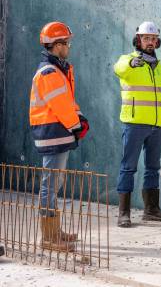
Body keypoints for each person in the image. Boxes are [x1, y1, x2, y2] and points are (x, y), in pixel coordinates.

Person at [113, 21, 161, 227]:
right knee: (128, 168)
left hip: (156, 125)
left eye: (153, 39)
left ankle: (151, 209)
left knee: (153, 167)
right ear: (138, 40)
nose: (150, 42)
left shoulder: (159, 66)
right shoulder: (128, 60)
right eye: (146, 38)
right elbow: (118, 69)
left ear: (157, 41)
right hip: (134, 124)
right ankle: (123, 213)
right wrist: (131, 64)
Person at [30, 21, 89, 252]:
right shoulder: (49, 72)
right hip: (52, 132)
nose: (69, 46)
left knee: (55, 183)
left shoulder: (59, 69)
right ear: (56, 45)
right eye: (66, 42)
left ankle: (55, 231)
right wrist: (76, 125)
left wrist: (79, 119)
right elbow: (61, 105)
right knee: (50, 184)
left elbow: (69, 102)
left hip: (57, 132)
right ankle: (48, 237)